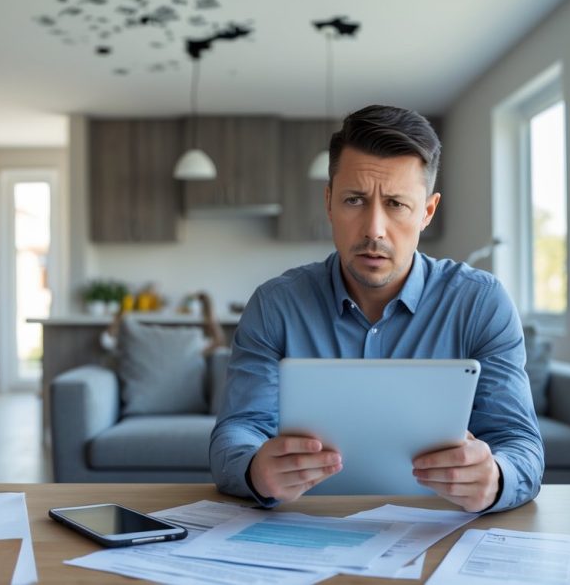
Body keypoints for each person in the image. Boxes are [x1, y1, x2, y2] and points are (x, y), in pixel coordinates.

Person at [210, 104, 543, 513]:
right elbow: (237, 432)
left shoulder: (481, 302)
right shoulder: (275, 304)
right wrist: (254, 470)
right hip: (303, 525)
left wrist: (495, 479)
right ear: (329, 202)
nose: (373, 229)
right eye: (354, 200)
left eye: (397, 204)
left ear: (427, 211)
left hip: (436, 530)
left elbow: (521, 445)